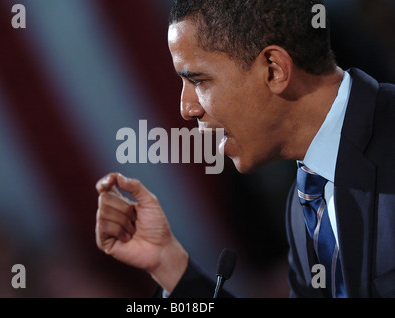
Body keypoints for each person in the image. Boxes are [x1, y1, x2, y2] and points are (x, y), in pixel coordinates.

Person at [95, 0, 395, 298]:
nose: (187, 109)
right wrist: (166, 261)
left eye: (199, 80)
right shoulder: (307, 199)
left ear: (274, 70)